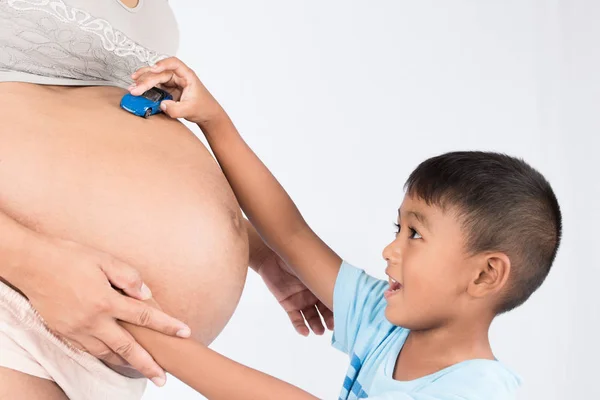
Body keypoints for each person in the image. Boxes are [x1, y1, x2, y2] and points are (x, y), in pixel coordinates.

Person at [119, 56, 563, 399]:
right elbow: (290, 235)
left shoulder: (478, 390)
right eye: (398, 229)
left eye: (415, 235)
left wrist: (139, 330)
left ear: (485, 274)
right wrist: (213, 119)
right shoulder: (387, 325)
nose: (390, 251)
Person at [0, 1, 330, 398]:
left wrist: (259, 251)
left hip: (111, 343)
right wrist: (32, 263)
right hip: (18, 290)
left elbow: (107, 155)